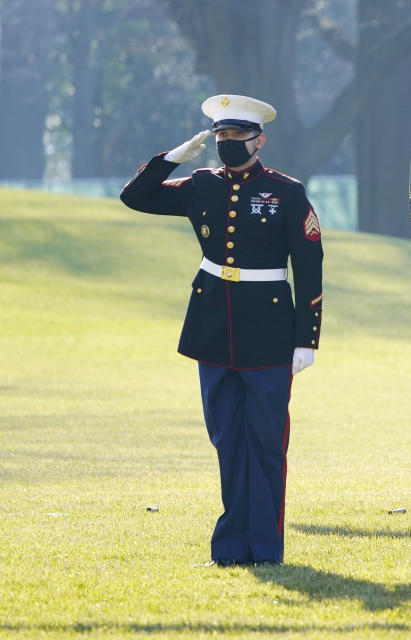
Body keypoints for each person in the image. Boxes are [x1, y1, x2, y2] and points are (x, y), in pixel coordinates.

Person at [119, 94, 324, 567]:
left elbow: (310, 267)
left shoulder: (286, 192)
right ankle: (231, 549)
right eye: (222, 136)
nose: (229, 144)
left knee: (267, 444)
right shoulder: (202, 185)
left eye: (238, 136)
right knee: (227, 441)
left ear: (260, 139)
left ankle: (266, 550)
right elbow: (135, 197)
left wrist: (306, 338)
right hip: (213, 327)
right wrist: (171, 159)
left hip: (270, 330)